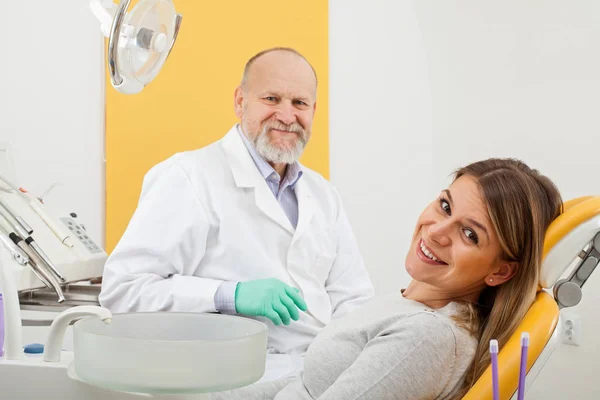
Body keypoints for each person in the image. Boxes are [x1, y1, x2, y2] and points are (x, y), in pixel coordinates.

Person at [210, 158, 563, 400]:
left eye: (470, 234)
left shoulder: (429, 338)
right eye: (445, 205)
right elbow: (304, 384)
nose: (438, 231)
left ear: (500, 270)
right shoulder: (412, 305)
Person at [98, 47, 374, 356]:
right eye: (271, 99)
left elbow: (353, 299)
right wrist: (228, 295)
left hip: (319, 368)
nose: (286, 116)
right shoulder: (188, 177)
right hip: (234, 373)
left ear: (313, 110)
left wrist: (339, 360)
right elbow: (123, 291)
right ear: (240, 102)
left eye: (299, 103)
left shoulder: (323, 194)